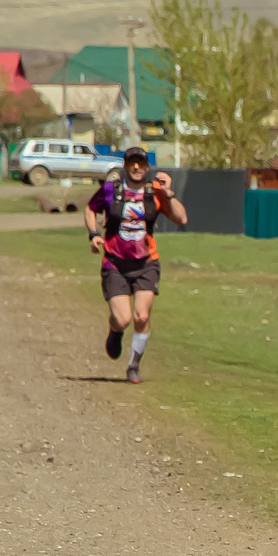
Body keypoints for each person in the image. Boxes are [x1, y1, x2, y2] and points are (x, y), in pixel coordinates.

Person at [85, 147, 185, 385]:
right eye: (133, 163)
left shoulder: (156, 192)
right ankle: (115, 331)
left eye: (141, 163)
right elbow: (91, 209)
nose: (137, 167)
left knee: (141, 316)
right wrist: (93, 234)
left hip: (146, 263)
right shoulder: (112, 190)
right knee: (123, 319)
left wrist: (169, 193)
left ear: (147, 167)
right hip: (115, 263)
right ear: (126, 166)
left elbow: (182, 219)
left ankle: (133, 365)